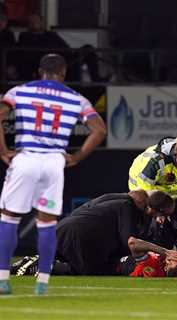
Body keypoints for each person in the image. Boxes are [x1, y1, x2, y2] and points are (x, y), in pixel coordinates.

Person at [0, 53, 106, 295]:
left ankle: (3, 279)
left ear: (40, 72)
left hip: (25, 159)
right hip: (54, 163)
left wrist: (4, 151)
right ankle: (42, 282)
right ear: (64, 73)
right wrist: (76, 157)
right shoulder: (75, 97)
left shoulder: (20, 91)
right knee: (47, 222)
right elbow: (99, 130)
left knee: (8, 218)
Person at [55, 190, 157, 276]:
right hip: (79, 235)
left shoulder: (108, 198)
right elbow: (128, 240)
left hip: (62, 227)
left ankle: (44, 263)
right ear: (140, 203)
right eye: (145, 207)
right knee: (90, 271)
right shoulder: (127, 205)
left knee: (65, 258)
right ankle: (52, 267)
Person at [128, 132, 177, 200]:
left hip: (167, 194)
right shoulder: (156, 162)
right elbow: (145, 188)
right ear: (174, 155)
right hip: (141, 185)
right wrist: (155, 207)